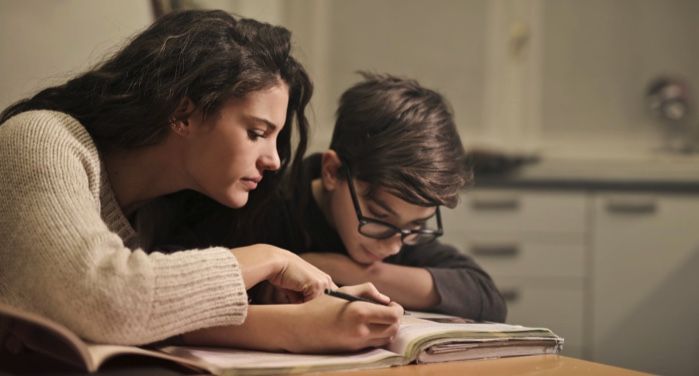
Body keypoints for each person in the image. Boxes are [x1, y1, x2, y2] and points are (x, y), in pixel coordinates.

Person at [0, 10, 402, 353]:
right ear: (183, 113)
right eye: (257, 132)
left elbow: (155, 315)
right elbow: (109, 301)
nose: (275, 160)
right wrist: (269, 258)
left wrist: (309, 317)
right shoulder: (42, 139)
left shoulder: (162, 210)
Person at [173, 73, 507, 322]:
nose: (393, 246)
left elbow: (486, 297)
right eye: (379, 217)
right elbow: (180, 287)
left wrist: (349, 270)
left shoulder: (401, 232)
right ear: (332, 172)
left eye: (417, 226)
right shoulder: (260, 202)